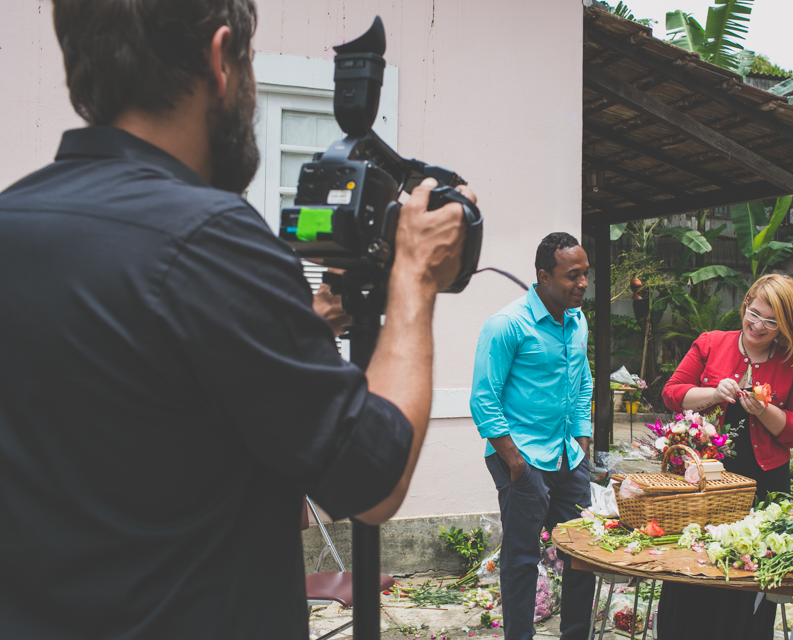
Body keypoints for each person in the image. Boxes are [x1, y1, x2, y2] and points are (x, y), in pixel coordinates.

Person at [0, 1, 474, 638]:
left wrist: (298, 326)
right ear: (220, 58)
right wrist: (414, 276)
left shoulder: (15, 221)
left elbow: (135, 396)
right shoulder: (209, 237)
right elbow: (372, 481)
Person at [658, 273, 793, 640]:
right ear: (745, 306)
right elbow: (673, 393)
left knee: (747, 567)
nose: (758, 326)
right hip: (705, 476)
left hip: (763, 482)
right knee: (693, 560)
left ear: (785, 326)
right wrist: (713, 392)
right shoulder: (712, 344)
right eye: (754, 314)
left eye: (771, 321)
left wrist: (764, 410)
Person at [470, 232, 594, 640]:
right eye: (572, 275)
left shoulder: (578, 322)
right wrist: (514, 461)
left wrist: (583, 443)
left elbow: (582, 386)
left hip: (567, 458)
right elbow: (484, 398)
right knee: (522, 558)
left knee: (582, 553)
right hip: (520, 459)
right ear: (543, 276)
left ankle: (575, 634)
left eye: (585, 274)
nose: (582, 284)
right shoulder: (506, 325)